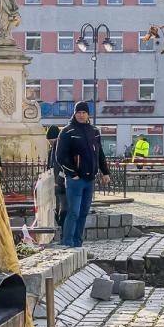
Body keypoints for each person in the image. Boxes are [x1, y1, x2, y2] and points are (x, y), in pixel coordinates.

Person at [55, 101, 110, 248]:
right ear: (74, 113)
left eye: (84, 112)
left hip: (89, 179)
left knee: (84, 212)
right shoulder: (67, 131)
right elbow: (60, 156)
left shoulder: (94, 131)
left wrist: (105, 172)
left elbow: (100, 153)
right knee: (73, 212)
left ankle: (78, 242)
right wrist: (72, 173)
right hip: (75, 180)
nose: (81, 115)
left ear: (88, 114)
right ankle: (68, 242)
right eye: (78, 112)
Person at [45, 125, 67, 229]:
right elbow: (50, 166)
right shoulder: (51, 151)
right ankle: (59, 224)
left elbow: (64, 166)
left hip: (62, 183)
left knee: (63, 207)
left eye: (51, 141)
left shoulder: (62, 149)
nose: (51, 143)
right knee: (55, 206)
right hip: (53, 184)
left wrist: (59, 179)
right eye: (49, 141)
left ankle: (62, 226)